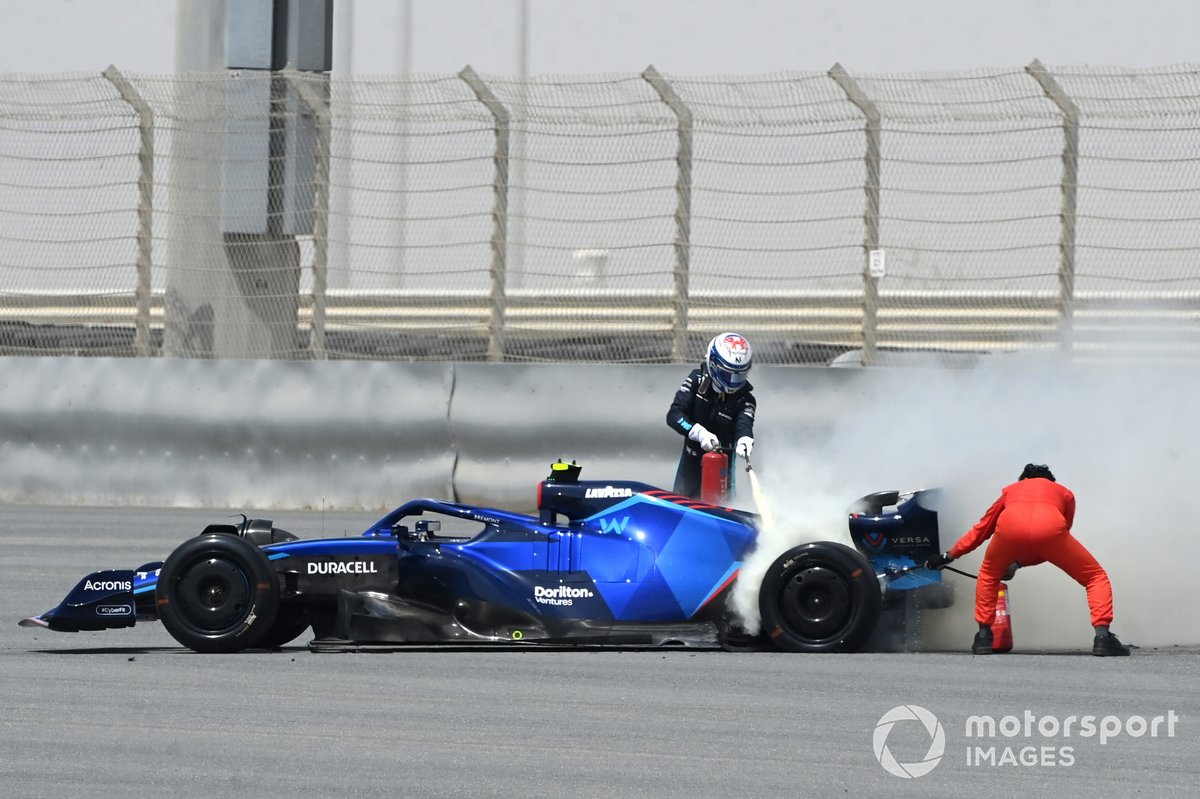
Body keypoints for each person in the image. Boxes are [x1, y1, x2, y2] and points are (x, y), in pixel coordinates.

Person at [926, 464, 1130, 657]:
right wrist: (1020, 563)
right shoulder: (1065, 493)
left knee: (988, 575)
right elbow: (1051, 541)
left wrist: (949, 556)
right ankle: (1103, 638)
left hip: (1008, 531)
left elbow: (981, 530)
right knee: (1095, 577)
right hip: (1051, 530)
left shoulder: (1010, 491)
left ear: (1023, 479)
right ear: (1051, 481)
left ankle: (983, 637)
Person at [666, 332, 756, 499]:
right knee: (682, 503)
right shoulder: (697, 380)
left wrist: (745, 439)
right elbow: (674, 414)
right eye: (729, 374)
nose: (734, 381)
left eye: (739, 374)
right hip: (691, 460)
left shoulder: (745, 399)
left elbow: (744, 424)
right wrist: (699, 433)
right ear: (713, 364)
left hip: (722, 466)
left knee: (722, 508)